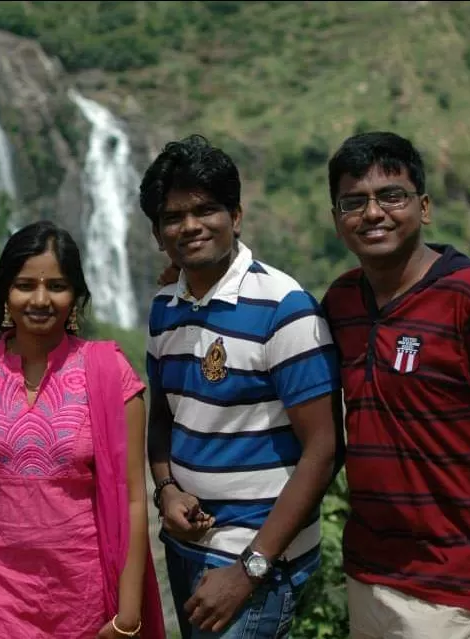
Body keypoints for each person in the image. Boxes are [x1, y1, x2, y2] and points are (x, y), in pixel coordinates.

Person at [321, 131, 470, 639]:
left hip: (454, 590)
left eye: (392, 196)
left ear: (423, 207)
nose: (373, 213)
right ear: (337, 219)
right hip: (366, 575)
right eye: (354, 202)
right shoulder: (340, 303)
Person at [140, 134, 344, 638]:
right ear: (157, 233)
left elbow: (324, 448)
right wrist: (165, 490)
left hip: (255, 564)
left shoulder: (284, 308)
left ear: (237, 215)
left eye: (205, 209)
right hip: (185, 547)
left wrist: (249, 568)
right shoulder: (165, 309)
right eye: (172, 216)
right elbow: (165, 416)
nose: (189, 226)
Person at [0, 220, 166, 638]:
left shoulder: (110, 373)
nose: (40, 299)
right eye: (25, 285)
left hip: (81, 599)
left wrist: (128, 616)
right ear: (5, 292)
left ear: (75, 296)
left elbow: (132, 498)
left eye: (56, 286)